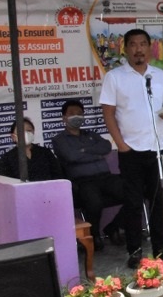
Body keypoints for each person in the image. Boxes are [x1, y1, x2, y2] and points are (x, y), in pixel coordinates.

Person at [100, 28, 163, 268]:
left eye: (143, 44)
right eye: (133, 44)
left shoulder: (159, 75)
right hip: (130, 150)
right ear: (125, 48)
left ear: (149, 48)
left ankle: (161, 250)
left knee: (158, 203)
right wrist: (121, 145)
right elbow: (108, 113)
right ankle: (135, 251)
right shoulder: (115, 77)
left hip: (158, 149)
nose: (138, 49)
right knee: (133, 203)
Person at [52, 99, 126, 250]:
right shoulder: (59, 140)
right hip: (84, 181)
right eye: (72, 113)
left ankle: (113, 227)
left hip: (106, 177)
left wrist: (83, 151)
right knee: (94, 203)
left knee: (133, 194)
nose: (76, 116)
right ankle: (94, 236)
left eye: (79, 113)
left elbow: (106, 147)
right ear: (64, 118)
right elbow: (70, 156)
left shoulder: (91, 134)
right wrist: (94, 153)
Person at [0, 117, 62, 181]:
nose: (25, 134)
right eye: (21, 131)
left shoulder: (45, 152)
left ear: (33, 132)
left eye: (29, 131)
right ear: (13, 137)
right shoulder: (7, 158)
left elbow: (58, 175)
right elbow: (7, 183)